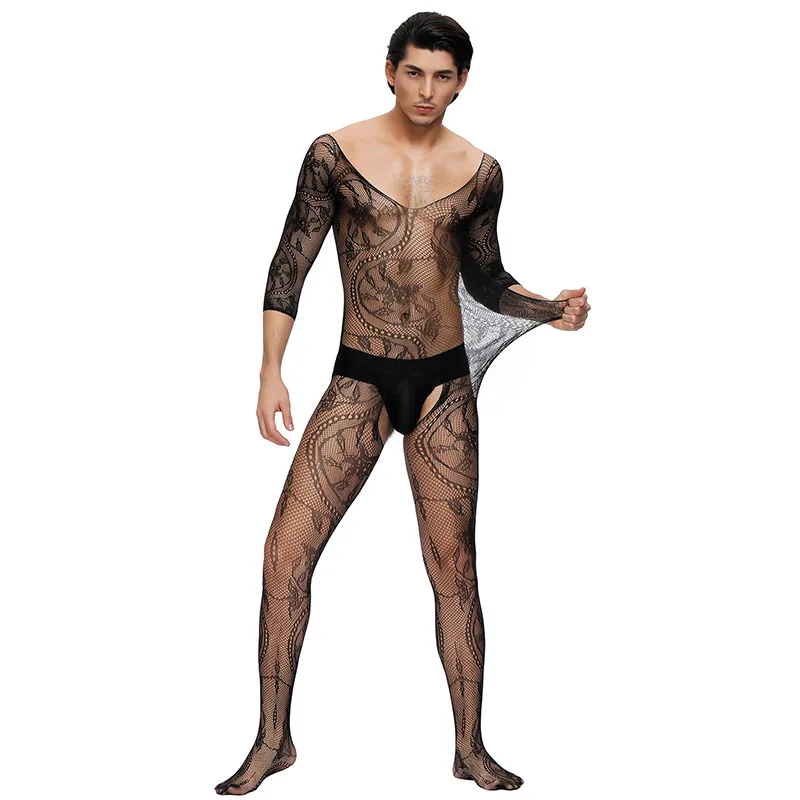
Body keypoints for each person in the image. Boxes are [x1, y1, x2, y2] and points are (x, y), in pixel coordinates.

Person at [215, 11, 590, 795]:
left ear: (462, 82)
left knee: (455, 569)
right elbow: (289, 263)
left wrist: (552, 309)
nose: (426, 89)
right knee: (284, 555)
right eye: (414, 72)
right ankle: (272, 739)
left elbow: (485, 277)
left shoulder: (480, 171)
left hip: (444, 385)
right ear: (389, 70)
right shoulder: (336, 154)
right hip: (360, 379)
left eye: (442, 76)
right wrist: (270, 371)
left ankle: (470, 749)